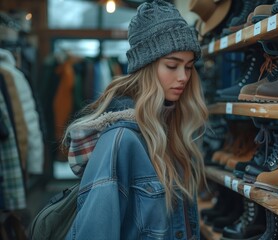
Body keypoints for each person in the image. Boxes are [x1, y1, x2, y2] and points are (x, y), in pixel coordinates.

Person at [63, 0, 208, 239]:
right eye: (172, 65)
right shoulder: (121, 140)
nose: (183, 77)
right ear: (146, 67)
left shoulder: (171, 133)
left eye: (189, 67)